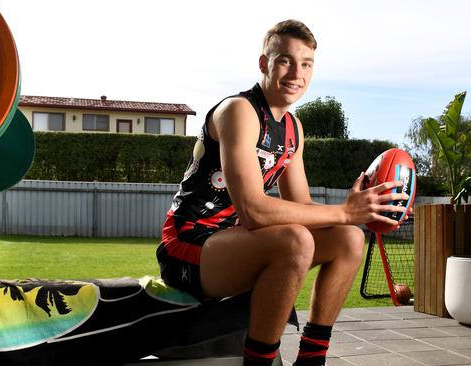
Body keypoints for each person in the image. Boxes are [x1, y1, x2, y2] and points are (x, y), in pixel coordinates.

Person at [156, 19, 409, 366]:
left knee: (349, 238)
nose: (296, 73)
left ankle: (311, 357)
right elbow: (254, 211)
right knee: (296, 240)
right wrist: (343, 211)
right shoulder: (239, 111)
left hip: (235, 242)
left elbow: (301, 207)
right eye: (285, 60)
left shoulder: (293, 129)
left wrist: (369, 208)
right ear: (265, 64)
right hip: (188, 245)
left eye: (306, 64)